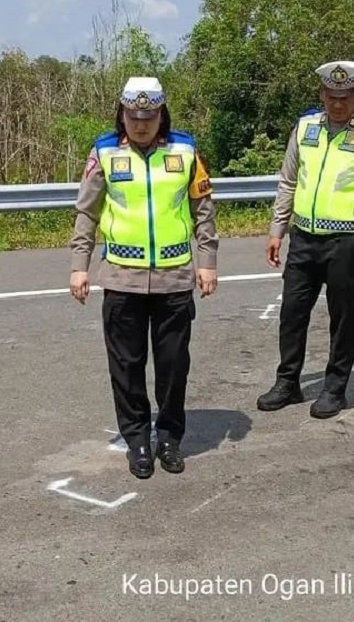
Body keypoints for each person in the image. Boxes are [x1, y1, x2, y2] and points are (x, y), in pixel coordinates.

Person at [69, 76, 218, 479]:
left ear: (161, 114)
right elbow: (88, 212)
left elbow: (203, 209)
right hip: (122, 279)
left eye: (149, 116)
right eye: (133, 116)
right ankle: (137, 439)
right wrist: (79, 265)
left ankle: (169, 437)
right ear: (122, 114)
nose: (140, 124)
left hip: (174, 279)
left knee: (173, 365)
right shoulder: (103, 152)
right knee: (127, 365)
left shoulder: (185, 150)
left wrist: (207, 261)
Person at [256, 60, 354, 420]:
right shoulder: (304, 127)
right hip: (303, 239)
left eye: (346, 95)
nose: (338, 103)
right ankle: (287, 383)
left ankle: (335, 388)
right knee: (291, 313)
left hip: (347, 243)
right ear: (322, 93)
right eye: (332, 95)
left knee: (344, 317)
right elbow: (288, 181)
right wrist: (277, 230)